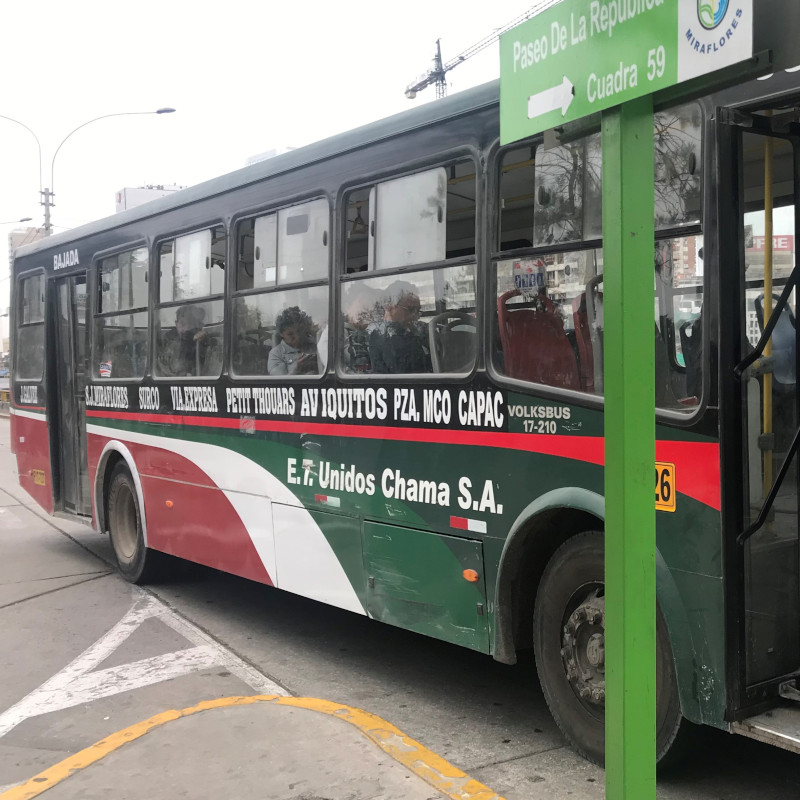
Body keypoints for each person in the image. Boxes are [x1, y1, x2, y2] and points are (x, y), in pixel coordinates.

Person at [368, 280, 431, 374]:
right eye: (410, 310)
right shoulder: (379, 334)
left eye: (417, 311)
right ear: (388, 306)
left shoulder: (416, 330)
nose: (415, 316)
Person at [158, 304, 211, 377]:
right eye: (182, 324)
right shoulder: (168, 340)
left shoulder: (201, 340)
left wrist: (203, 340)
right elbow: (162, 367)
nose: (186, 329)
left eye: (190, 324)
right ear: (176, 324)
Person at [268, 306, 319, 376]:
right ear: (281, 334)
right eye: (290, 334)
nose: (297, 337)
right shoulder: (276, 354)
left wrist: (314, 334)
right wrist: (297, 370)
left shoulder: (315, 344)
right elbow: (280, 383)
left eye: (299, 331)